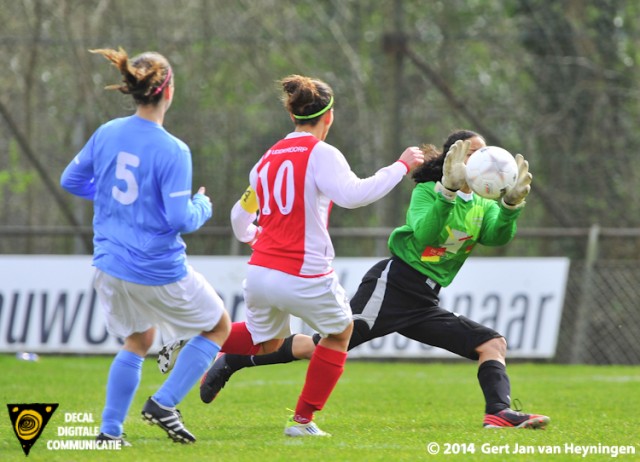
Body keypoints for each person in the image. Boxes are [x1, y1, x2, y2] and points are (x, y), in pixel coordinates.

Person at [200, 129, 550, 430]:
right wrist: (446, 192)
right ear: (452, 160)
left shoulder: (484, 203)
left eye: (483, 154)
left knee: (492, 344)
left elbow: (495, 237)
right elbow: (427, 233)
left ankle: (498, 412)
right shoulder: (429, 190)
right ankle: (233, 359)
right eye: (472, 154)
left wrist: (509, 208)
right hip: (393, 285)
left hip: (423, 301)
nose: (482, 161)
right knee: (321, 345)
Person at [199, 74, 424, 437]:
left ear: (292, 116)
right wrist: (400, 166)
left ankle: (196, 335)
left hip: (260, 272)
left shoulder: (266, 160)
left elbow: (239, 219)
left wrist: (259, 237)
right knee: (339, 334)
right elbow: (354, 195)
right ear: (329, 117)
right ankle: (302, 421)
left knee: (267, 342)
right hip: (303, 273)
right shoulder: (322, 154)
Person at [60, 47, 231, 445]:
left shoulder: (107, 132)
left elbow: (71, 180)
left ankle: (109, 433)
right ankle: (164, 402)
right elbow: (178, 219)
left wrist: (110, 198)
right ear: (168, 91)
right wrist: (202, 205)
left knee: (138, 341)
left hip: (109, 264)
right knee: (218, 325)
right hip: (156, 269)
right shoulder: (173, 149)